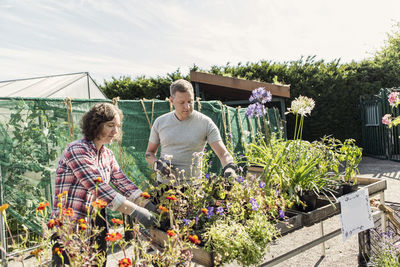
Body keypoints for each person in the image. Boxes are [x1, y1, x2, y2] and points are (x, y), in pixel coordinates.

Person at [50, 103, 157, 267]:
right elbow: (98, 188)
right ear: (95, 125)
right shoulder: (77, 150)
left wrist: (149, 204)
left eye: (118, 126)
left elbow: (122, 182)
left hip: (96, 224)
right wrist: (137, 212)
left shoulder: (107, 154)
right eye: (110, 125)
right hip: (70, 225)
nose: (115, 131)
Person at [145, 79, 238, 188]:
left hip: (193, 188)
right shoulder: (160, 122)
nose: (187, 107)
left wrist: (230, 168)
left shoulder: (205, 123)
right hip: (164, 186)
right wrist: (158, 165)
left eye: (190, 101)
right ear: (171, 101)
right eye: (182, 102)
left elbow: (223, 154)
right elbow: (149, 153)